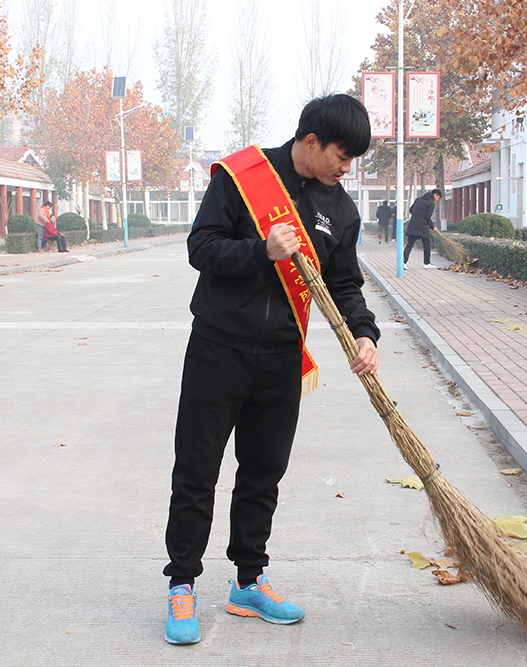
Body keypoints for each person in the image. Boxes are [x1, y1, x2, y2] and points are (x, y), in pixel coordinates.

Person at [163, 94, 380, 646]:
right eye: (342, 155)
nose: (346, 168)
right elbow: (201, 247)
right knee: (197, 470)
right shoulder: (242, 176)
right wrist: (261, 250)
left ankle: (248, 582)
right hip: (218, 348)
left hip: (282, 356)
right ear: (311, 141)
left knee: (263, 474)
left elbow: (344, 282)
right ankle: (182, 583)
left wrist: (364, 332)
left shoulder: (341, 210)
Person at [403, 189, 442, 269]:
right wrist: (432, 227)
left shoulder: (418, 199)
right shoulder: (431, 203)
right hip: (422, 226)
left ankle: (403, 262)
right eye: (438, 197)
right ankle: (426, 263)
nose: (437, 199)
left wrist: (417, 215)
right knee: (426, 244)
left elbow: (411, 210)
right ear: (435, 194)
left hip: (413, 224)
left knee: (410, 244)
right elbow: (427, 217)